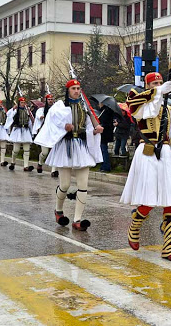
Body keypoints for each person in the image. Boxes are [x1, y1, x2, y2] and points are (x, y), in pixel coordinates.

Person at [120, 72, 171, 262]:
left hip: (166, 154)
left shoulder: (169, 109)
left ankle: (167, 247)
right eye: (154, 83)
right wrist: (157, 91)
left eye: (160, 82)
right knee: (149, 199)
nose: (158, 85)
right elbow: (132, 106)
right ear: (148, 85)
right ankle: (135, 225)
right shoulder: (139, 100)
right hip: (148, 151)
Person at [35, 79, 103, 231]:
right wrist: (64, 126)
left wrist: (95, 130)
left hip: (80, 146)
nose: (77, 91)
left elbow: (88, 127)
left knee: (83, 185)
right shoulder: (60, 106)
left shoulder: (85, 107)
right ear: (68, 90)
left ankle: (77, 220)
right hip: (65, 146)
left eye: (78, 88)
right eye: (74, 88)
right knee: (65, 184)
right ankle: (58, 210)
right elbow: (51, 122)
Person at [5, 96, 35, 171]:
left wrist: (32, 131)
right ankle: (13, 162)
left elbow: (30, 121)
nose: (23, 104)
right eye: (21, 102)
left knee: (26, 149)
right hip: (17, 130)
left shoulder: (27, 111)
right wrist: (13, 108)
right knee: (16, 150)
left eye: (24, 102)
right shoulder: (15, 111)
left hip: (26, 130)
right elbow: (8, 115)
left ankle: (26, 166)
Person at [33, 94, 58, 177]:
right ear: (46, 101)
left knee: (54, 151)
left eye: (51, 99)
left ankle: (53, 171)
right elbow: (38, 117)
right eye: (49, 99)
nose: (50, 100)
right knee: (45, 152)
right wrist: (41, 117)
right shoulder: (42, 110)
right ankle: (40, 163)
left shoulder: (56, 109)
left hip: (54, 132)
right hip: (45, 133)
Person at [99, 106, 115, 172]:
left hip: (104, 134)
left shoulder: (105, 112)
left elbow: (105, 123)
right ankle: (103, 165)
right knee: (103, 150)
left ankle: (106, 166)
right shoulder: (105, 112)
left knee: (103, 150)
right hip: (107, 134)